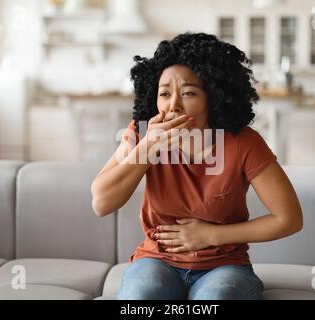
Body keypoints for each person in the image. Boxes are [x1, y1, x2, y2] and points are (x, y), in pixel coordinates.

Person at [91, 32, 303, 300]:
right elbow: (101, 203)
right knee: (141, 296)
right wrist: (147, 148)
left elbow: (289, 218)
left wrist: (212, 235)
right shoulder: (142, 133)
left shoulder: (243, 143)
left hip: (224, 267)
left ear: (212, 97)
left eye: (188, 93)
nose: (173, 105)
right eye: (164, 93)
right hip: (156, 262)